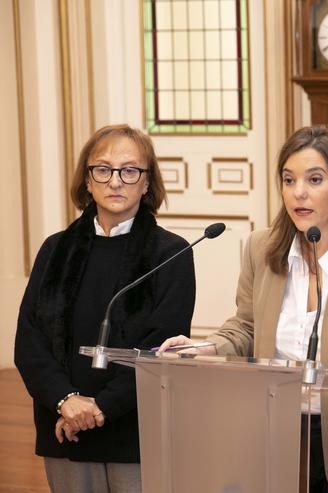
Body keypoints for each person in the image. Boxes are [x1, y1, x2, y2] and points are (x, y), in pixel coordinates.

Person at [158, 125, 328, 492]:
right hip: (277, 440)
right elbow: (246, 327)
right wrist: (205, 346)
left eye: (314, 179)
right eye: (289, 180)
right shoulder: (261, 248)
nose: (298, 192)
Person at [15, 124, 196, 493]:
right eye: (103, 169)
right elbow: (28, 341)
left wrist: (99, 409)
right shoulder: (55, 249)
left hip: (133, 432)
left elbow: (160, 350)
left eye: (130, 171)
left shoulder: (170, 253)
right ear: (87, 180)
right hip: (63, 427)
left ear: (147, 183)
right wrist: (65, 401)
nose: (116, 182)